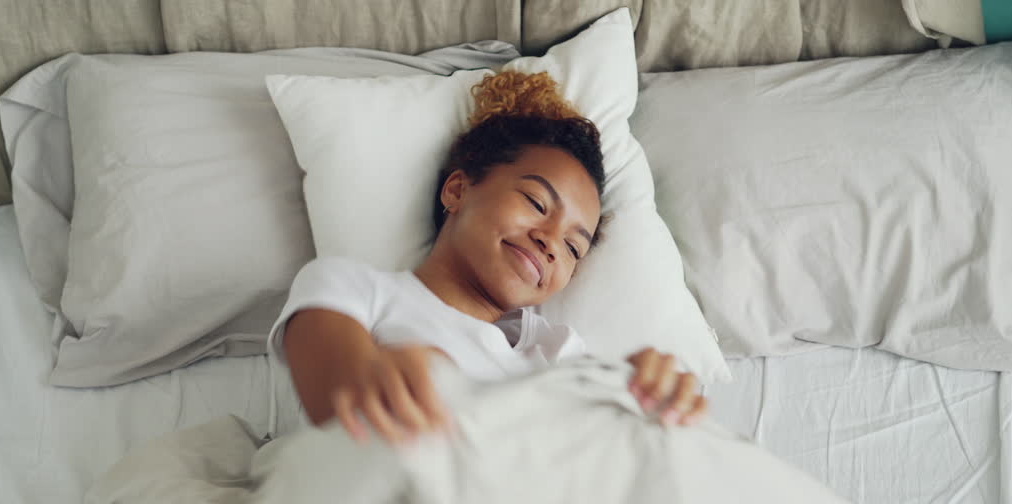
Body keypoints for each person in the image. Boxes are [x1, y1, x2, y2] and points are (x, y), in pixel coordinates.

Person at [269, 70, 708, 445]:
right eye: (537, 203)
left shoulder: (553, 352)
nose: (551, 241)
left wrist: (649, 404)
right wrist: (376, 381)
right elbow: (334, 393)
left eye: (574, 247)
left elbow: (597, 459)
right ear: (458, 190)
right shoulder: (351, 289)